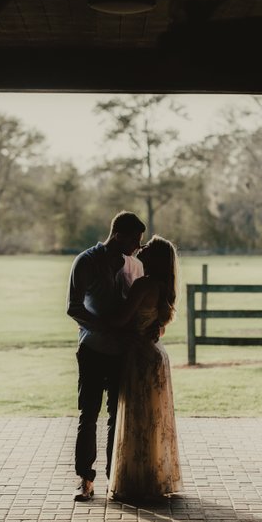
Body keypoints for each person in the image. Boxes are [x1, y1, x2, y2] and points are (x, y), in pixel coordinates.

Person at [67, 211, 146, 502]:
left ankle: (116, 478)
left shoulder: (131, 265)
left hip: (120, 353)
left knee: (116, 415)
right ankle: (85, 480)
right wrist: (108, 329)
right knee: (88, 415)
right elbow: (73, 308)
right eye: (135, 240)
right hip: (92, 349)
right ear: (118, 235)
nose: (138, 246)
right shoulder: (86, 261)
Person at [108, 235, 183, 501]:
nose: (143, 247)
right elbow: (157, 321)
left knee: (138, 420)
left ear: (155, 258)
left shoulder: (143, 284)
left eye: (149, 246)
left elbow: (120, 319)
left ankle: (136, 482)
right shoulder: (163, 286)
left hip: (139, 356)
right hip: (155, 356)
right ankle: (152, 477)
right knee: (153, 421)